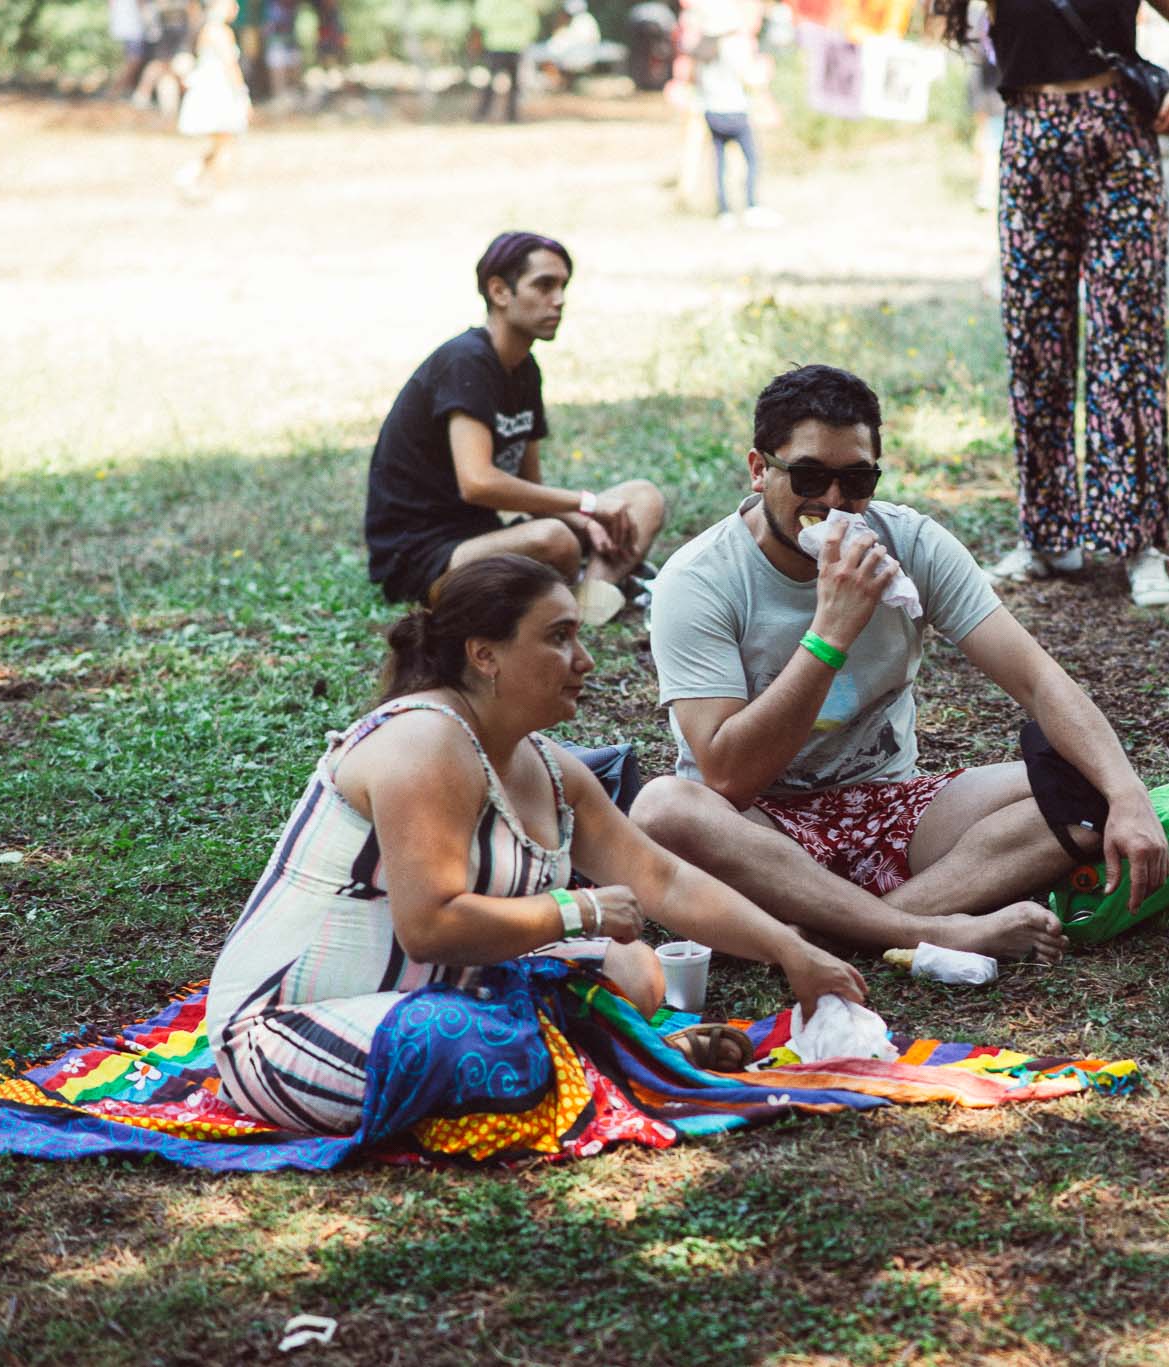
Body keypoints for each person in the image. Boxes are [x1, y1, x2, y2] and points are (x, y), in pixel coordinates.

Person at [207, 555, 865, 1134]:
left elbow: (663, 879)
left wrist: (790, 949)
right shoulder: (423, 743)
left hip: (439, 990)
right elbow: (429, 927)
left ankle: (598, 1054)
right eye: (558, 638)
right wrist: (576, 911)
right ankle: (612, 1060)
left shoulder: (548, 766)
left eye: (578, 635)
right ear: (484, 654)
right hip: (288, 1026)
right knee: (472, 1047)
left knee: (633, 969)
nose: (585, 661)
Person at [632, 365, 1169, 964]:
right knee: (663, 811)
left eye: (856, 479)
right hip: (755, 828)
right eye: (809, 475)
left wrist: (1126, 794)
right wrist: (830, 632)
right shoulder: (699, 579)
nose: (834, 501)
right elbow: (728, 775)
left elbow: (1038, 680)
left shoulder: (910, 542)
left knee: (1086, 786)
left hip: (890, 806)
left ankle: (845, 931)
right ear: (760, 470)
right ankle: (936, 930)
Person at [931, 0, 1169, 608]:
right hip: (1030, 137)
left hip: (1120, 143)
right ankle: (1047, 536)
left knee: (1126, 345)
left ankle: (1140, 543)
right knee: (1035, 344)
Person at [363, 232, 666, 617]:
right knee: (555, 540)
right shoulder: (466, 362)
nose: (558, 300)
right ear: (499, 292)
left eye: (562, 287)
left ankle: (590, 598)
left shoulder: (524, 369)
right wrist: (588, 506)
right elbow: (478, 483)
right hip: (424, 556)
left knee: (642, 498)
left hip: (486, 534)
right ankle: (582, 593)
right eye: (543, 285)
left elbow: (531, 490)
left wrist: (587, 522)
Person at [694, 1, 780, 227]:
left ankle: (725, 211)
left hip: (711, 111)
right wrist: (764, 72)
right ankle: (751, 205)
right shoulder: (730, 48)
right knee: (752, 160)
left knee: (720, 163)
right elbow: (750, 78)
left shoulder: (702, 50)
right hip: (735, 111)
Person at [173, 0, 250, 200]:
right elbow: (230, 65)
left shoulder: (207, 30)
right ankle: (222, 192)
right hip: (220, 90)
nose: (237, 8)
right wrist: (242, 93)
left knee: (221, 142)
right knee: (225, 143)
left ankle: (190, 173)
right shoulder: (220, 32)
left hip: (209, 89)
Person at [474, 0, 543, 122]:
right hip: (502, 44)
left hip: (505, 44)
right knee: (502, 83)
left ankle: (507, 115)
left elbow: (481, 18)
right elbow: (481, 17)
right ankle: (487, 113)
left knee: (514, 83)